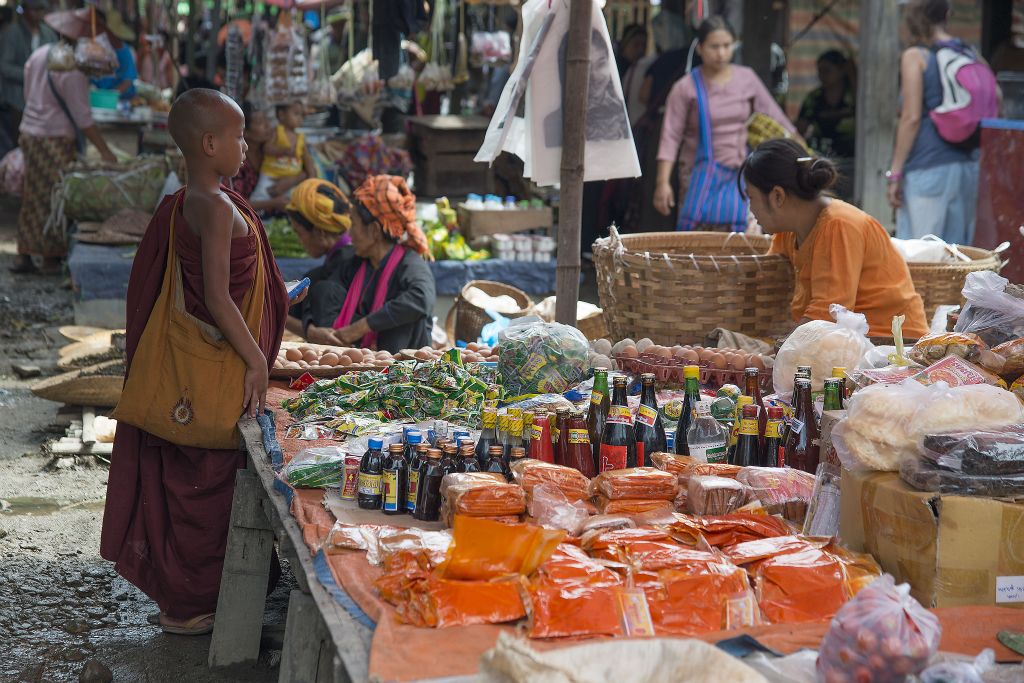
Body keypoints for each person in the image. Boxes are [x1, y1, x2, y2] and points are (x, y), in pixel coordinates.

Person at [101, 88, 289, 636]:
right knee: (208, 486)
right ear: (209, 143)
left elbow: (224, 286)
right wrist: (256, 360)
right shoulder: (212, 205)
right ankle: (190, 607)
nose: (247, 145)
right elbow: (217, 294)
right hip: (217, 368)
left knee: (192, 482)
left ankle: (187, 601)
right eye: (238, 135)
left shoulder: (186, 201)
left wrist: (274, 294)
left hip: (197, 363)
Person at [743, 139, 929, 340]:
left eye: (751, 198)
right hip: (846, 341)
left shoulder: (839, 225)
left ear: (777, 196)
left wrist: (776, 352)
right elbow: (767, 278)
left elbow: (826, 315)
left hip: (890, 344)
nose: (751, 209)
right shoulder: (788, 233)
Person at [654, 16, 796, 231]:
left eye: (726, 46)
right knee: (698, 246)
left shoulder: (746, 79)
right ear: (700, 48)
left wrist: (802, 150)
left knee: (746, 243)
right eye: (714, 46)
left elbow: (776, 118)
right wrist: (662, 183)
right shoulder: (685, 88)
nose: (721, 53)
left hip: (742, 174)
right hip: (696, 176)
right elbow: (670, 137)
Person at [13, 8, 117, 275]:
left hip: (29, 133)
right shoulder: (71, 68)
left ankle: (24, 254)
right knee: (55, 198)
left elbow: (28, 93)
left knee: (32, 194)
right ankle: (50, 258)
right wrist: (106, 151)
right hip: (55, 139)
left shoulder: (38, 55)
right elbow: (83, 118)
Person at [305, 175, 436, 353]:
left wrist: (362, 326)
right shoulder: (355, 263)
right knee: (325, 290)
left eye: (354, 225)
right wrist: (311, 329)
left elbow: (421, 299)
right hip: (362, 357)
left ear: (373, 230)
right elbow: (321, 287)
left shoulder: (410, 263)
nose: (350, 234)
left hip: (403, 364)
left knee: (402, 315)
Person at [888, 0, 983, 245]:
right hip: (967, 166)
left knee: (921, 255)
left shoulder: (916, 56)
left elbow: (911, 118)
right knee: (958, 256)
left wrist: (895, 174)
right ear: (947, 14)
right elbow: (998, 100)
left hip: (927, 167)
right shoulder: (969, 53)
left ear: (910, 18)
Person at [284, 179, 357, 337]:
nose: (299, 241)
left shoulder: (339, 270)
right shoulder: (345, 259)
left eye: (299, 233)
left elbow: (328, 336)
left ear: (320, 232)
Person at [0, 0, 57, 159]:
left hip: (43, 100)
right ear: (24, 11)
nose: (38, 13)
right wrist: (31, 74)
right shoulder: (12, 34)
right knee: (17, 145)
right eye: (34, 9)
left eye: (41, 9)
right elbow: (4, 67)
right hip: (17, 100)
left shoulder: (48, 34)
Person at [796, 50, 856, 200]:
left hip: (851, 161)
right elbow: (799, 130)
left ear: (842, 71)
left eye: (827, 71)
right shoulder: (814, 99)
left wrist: (853, 75)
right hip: (821, 159)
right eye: (820, 71)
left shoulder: (853, 97)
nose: (822, 76)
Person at [251, 102, 315, 202]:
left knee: (293, 201)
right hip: (271, 174)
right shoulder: (276, 132)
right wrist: (282, 151)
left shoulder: (300, 138)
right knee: (260, 196)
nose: (300, 118)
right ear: (281, 115)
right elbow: (267, 148)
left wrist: (311, 179)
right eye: (296, 114)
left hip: (291, 177)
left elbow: (308, 161)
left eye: (302, 115)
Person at [90, 9, 138, 100]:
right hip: (100, 99)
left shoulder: (125, 51)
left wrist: (110, 96)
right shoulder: (97, 50)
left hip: (121, 100)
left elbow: (127, 81)